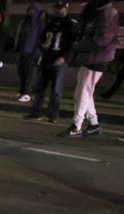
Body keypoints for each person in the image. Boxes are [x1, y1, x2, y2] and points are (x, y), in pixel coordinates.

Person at [63, 0, 119, 137]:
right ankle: (93, 123)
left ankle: (77, 126)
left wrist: (76, 45)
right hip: (91, 56)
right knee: (82, 91)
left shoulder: (106, 13)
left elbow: (101, 40)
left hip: (98, 58)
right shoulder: (98, 11)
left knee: (83, 91)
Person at [26, 1, 77, 123]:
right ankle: (35, 112)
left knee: (56, 89)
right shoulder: (51, 22)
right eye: (56, 8)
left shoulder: (71, 24)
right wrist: (42, 48)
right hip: (47, 58)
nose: (58, 10)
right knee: (40, 88)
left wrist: (65, 58)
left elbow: (74, 45)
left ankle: (53, 114)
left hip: (59, 60)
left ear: (66, 9)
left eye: (60, 8)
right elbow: (42, 38)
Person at [14, 2, 46, 102]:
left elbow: (41, 40)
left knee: (29, 73)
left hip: (32, 53)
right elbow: (19, 36)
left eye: (33, 10)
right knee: (21, 72)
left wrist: (37, 53)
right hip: (22, 52)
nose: (31, 12)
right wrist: (17, 49)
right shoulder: (23, 22)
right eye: (30, 9)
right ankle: (22, 91)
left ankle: (27, 93)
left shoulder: (39, 24)